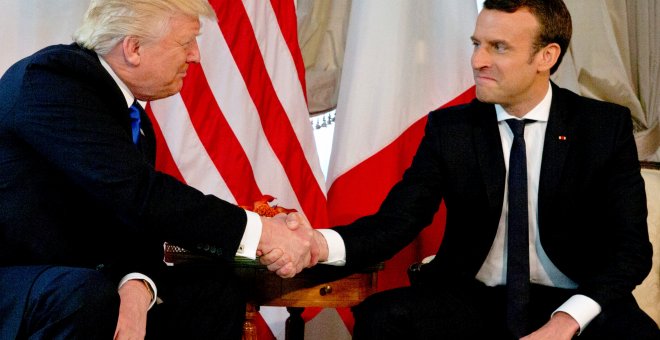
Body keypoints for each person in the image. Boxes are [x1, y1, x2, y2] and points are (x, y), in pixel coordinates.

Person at [263, 0, 660, 338]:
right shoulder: (451, 129)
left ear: (547, 57)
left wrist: (566, 320)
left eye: (498, 47)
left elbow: (632, 251)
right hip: (471, 296)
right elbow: (396, 222)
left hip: (574, 296)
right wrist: (319, 244)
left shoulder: (601, 127)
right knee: (382, 317)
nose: (477, 60)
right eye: (476, 44)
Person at [0, 0, 316, 339]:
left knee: (212, 288)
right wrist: (262, 232)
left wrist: (136, 289)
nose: (195, 55)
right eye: (185, 42)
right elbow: (139, 194)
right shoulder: (50, 80)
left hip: (75, 282)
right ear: (133, 48)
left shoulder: (135, 122)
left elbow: (137, 225)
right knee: (84, 295)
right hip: (17, 277)